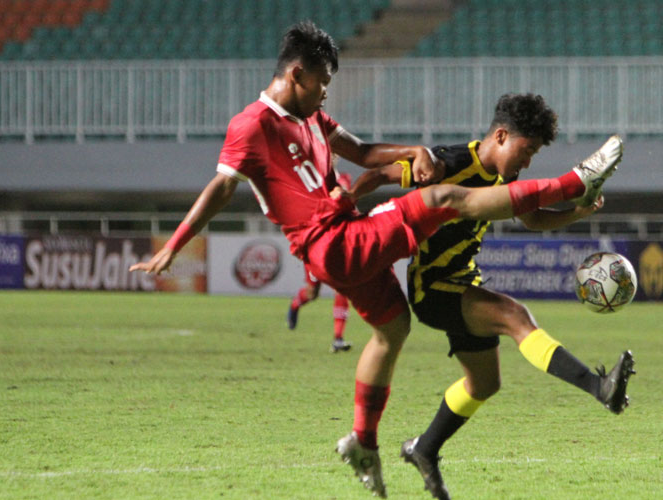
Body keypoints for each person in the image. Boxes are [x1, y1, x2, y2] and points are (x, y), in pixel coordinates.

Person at [128, 22, 624, 498]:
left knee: (394, 329)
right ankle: (577, 178)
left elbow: (364, 153)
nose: (326, 92)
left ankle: (365, 443)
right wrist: (175, 243)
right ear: (296, 75)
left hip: (345, 240)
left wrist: (408, 151)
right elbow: (222, 185)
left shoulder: (313, 119)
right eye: (322, 82)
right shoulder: (252, 124)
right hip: (332, 242)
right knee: (446, 203)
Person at [349, 93, 635, 500]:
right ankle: (598, 387)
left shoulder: (502, 174)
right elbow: (381, 174)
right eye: (527, 149)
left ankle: (424, 449)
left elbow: (530, 216)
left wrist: (577, 213)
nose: (528, 161)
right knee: (514, 316)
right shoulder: (450, 163)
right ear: (501, 135)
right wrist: (351, 199)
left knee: (484, 383)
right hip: (433, 287)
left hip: (463, 281)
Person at [287, 170, 353, 354]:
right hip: (315, 244)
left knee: (342, 287)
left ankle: (338, 338)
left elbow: (346, 197)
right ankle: (295, 305)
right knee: (312, 292)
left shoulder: (343, 179)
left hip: (338, 242)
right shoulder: (308, 180)